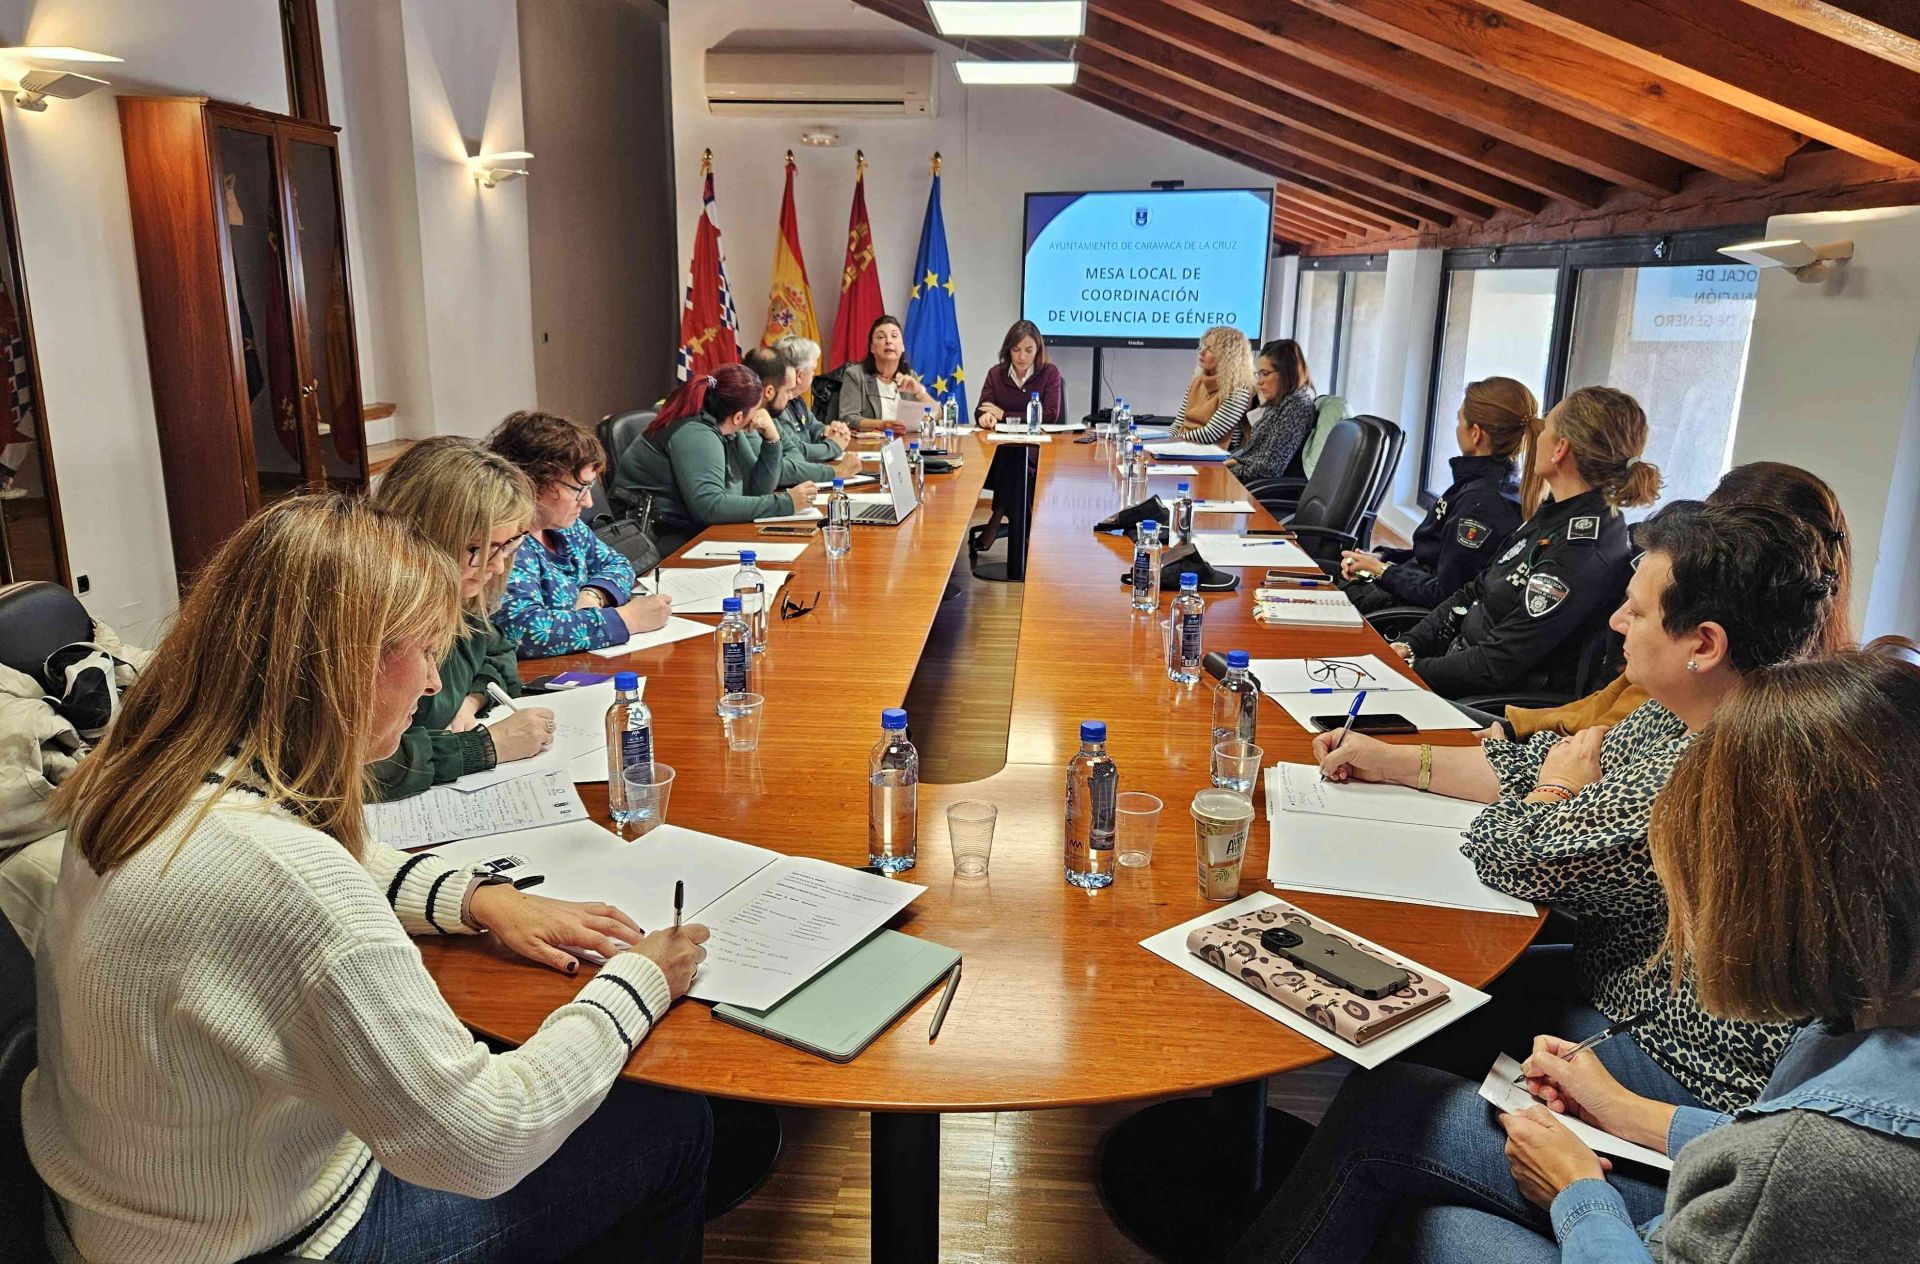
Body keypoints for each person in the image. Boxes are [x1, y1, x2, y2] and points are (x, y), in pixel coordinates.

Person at [23, 496, 714, 1264]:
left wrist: (479, 898)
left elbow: (296, 862)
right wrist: (638, 981)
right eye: (424, 651)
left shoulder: (141, 771)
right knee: (673, 1124)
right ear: (347, 663)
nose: (429, 687)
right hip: (271, 1239)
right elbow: (486, 1144)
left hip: (122, 1211)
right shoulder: (289, 882)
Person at [1234, 643, 1920, 1263]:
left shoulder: (1841, 1150)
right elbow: (1758, 1148)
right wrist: (1627, 1114)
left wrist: (1577, 1193)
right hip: (1718, 1188)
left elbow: (1776, 1168)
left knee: (1438, 1223)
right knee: (1399, 1117)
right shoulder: (1865, 1014)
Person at [1318, 501, 1842, 1113]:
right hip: (1622, 983)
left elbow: (1512, 855)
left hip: (1677, 1059)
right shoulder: (1691, 713)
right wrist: (1393, 760)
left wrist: (1558, 791)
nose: (1617, 621)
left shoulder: (1714, 771)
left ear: (1704, 644)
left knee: (1394, 1066)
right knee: (1411, 989)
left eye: (1638, 611)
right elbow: (1530, 763)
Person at [1494, 460, 1852, 739]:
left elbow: (1596, 754)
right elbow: (1601, 707)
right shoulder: (1684, 683)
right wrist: (1510, 729)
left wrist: (1554, 782)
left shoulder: (1700, 691)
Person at [1393, 386, 1659, 700]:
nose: (1537, 436)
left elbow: (1495, 666)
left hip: (1489, 703)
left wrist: (1410, 669)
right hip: (1452, 663)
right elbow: (1474, 589)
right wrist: (1410, 644)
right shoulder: (1556, 513)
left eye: (1546, 428)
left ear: (1560, 449)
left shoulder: (1579, 554)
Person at [366, 437, 558, 800]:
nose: (498, 565)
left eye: (510, 545)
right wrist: (485, 746)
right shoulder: (375, 621)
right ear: (425, 533)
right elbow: (351, 763)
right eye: (479, 549)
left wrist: (470, 701)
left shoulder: (462, 596)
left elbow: (497, 653)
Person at [1340, 377, 1536, 615]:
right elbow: (1435, 557)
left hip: (1407, 617)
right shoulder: (1483, 485)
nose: (1456, 427)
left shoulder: (1481, 505)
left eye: (1459, 419)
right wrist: (1382, 556)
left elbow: (1447, 594)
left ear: (1476, 434)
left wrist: (1382, 571)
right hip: (1404, 590)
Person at [489, 410, 672, 659]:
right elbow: (525, 630)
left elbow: (617, 563)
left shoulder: (565, 527)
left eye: (590, 488)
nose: (587, 502)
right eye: (580, 489)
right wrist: (627, 620)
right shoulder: (507, 545)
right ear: (534, 481)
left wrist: (594, 593)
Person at [612, 364, 818, 554]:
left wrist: (772, 440)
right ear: (738, 417)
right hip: (652, 534)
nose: (758, 416)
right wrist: (785, 503)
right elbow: (710, 507)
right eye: (755, 410)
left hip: (681, 525)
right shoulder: (696, 432)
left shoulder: (727, 427)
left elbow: (757, 489)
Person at [970, 319, 1065, 560]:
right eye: (1016, 350)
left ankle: (998, 515)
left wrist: (1004, 415)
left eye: (1028, 350)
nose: (1022, 357)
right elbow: (980, 409)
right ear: (1008, 349)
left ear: (1038, 350)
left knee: (1020, 460)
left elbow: (1051, 416)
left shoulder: (1049, 373)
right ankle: (1022, 531)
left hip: (1037, 447)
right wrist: (987, 418)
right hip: (1000, 450)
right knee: (1012, 457)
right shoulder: (996, 373)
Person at [745, 345, 856, 489]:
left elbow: (794, 454)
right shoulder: (744, 420)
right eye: (788, 391)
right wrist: (836, 471)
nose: (790, 397)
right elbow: (778, 472)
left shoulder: (767, 415)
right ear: (769, 392)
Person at [1225, 339, 1316, 483]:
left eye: (1265, 374)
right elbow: (1255, 453)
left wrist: (1229, 471)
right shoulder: (1278, 401)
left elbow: (1270, 468)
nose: (1259, 382)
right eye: (1258, 374)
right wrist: (1231, 462)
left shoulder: (1296, 405)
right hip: (1248, 480)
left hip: (1262, 488)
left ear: (1287, 373)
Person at [770, 334, 856, 476]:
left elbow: (814, 426)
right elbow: (796, 451)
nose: (814, 375)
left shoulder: (796, 399)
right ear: (799, 375)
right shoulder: (777, 405)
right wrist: (834, 446)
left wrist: (830, 431)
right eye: (813, 370)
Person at [836, 315, 936, 432]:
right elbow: (847, 418)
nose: (889, 341)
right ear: (872, 348)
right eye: (881, 337)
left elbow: (937, 415)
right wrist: (882, 425)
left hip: (907, 445)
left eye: (894, 336)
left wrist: (920, 391)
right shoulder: (856, 375)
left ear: (903, 346)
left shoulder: (909, 376)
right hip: (871, 447)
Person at [1169, 325, 1257, 445]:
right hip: (1183, 445)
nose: (1202, 351)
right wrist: (1165, 439)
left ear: (1227, 357)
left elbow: (1210, 434)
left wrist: (1174, 441)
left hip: (1214, 454)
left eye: (1210, 349)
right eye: (1204, 345)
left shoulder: (1239, 391)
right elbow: (1178, 423)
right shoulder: (1197, 381)